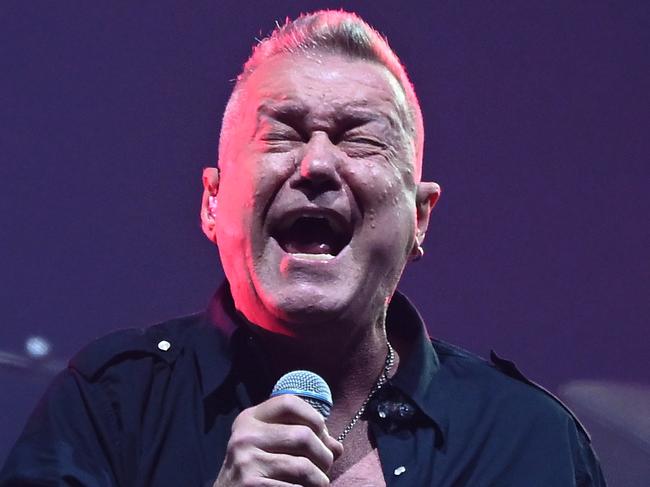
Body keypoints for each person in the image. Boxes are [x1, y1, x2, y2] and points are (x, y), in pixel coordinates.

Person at [0, 10, 605, 487]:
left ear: (420, 217)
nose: (315, 164)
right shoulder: (109, 406)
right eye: (281, 134)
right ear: (213, 201)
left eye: (361, 140)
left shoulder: (528, 442)